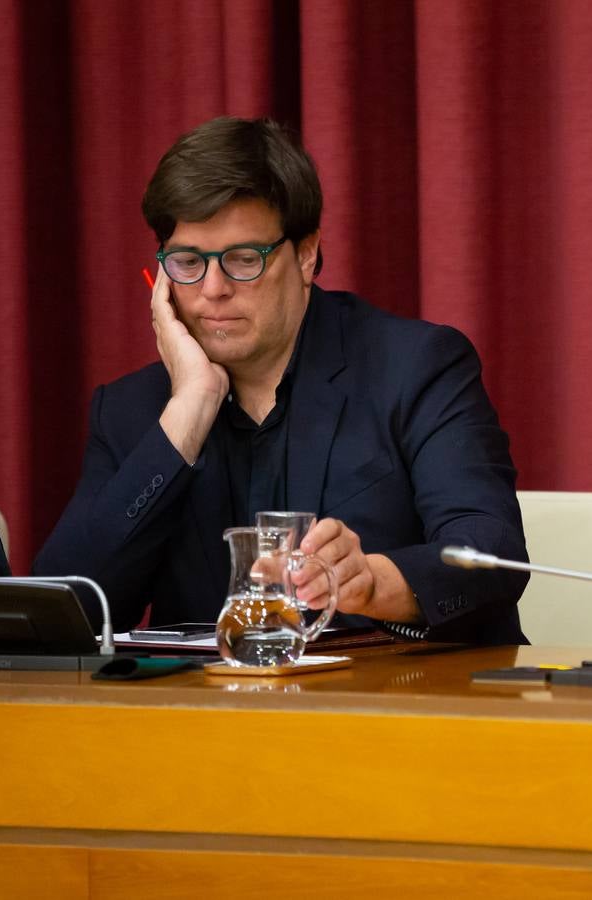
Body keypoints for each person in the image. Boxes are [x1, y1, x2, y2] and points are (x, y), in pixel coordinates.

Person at [35, 116, 527, 644]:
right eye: (186, 263)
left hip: (392, 708)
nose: (213, 289)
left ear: (307, 255)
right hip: (203, 717)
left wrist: (372, 582)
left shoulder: (414, 367)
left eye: (244, 259)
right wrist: (188, 413)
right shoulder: (135, 410)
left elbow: (491, 553)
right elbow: (62, 610)